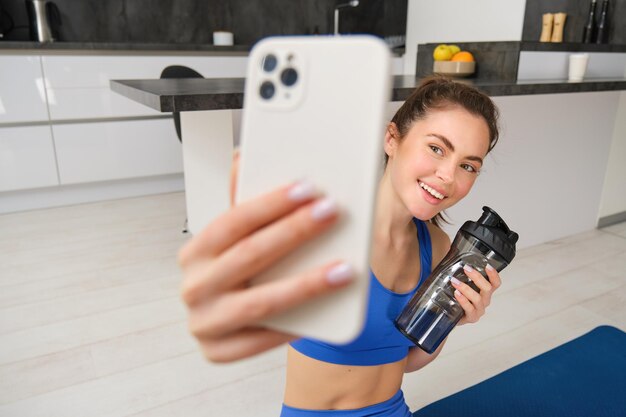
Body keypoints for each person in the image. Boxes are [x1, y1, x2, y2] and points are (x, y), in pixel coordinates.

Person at [178, 76, 503, 416]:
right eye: (436, 148)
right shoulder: (325, 230)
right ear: (392, 139)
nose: (449, 176)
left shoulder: (436, 246)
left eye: (467, 166)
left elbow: (407, 362)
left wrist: (454, 320)